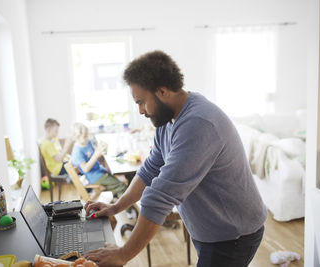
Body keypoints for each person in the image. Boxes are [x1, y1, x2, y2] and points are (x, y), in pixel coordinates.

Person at [84, 50, 267, 267]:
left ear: (162, 91)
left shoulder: (199, 123)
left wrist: (123, 254)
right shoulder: (168, 120)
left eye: (141, 102)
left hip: (233, 234)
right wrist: (116, 207)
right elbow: (150, 170)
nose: (141, 111)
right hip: (211, 229)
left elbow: (160, 195)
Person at [71, 122, 127, 198]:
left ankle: (118, 199)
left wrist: (100, 152)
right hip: (94, 176)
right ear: (76, 137)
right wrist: (96, 155)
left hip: (99, 170)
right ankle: (128, 209)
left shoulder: (87, 142)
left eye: (87, 135)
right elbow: (85, 169)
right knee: (121, 186)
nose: (87, 138)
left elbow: (95, 155)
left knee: (120, 179)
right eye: (85, 136)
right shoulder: (77, 152)